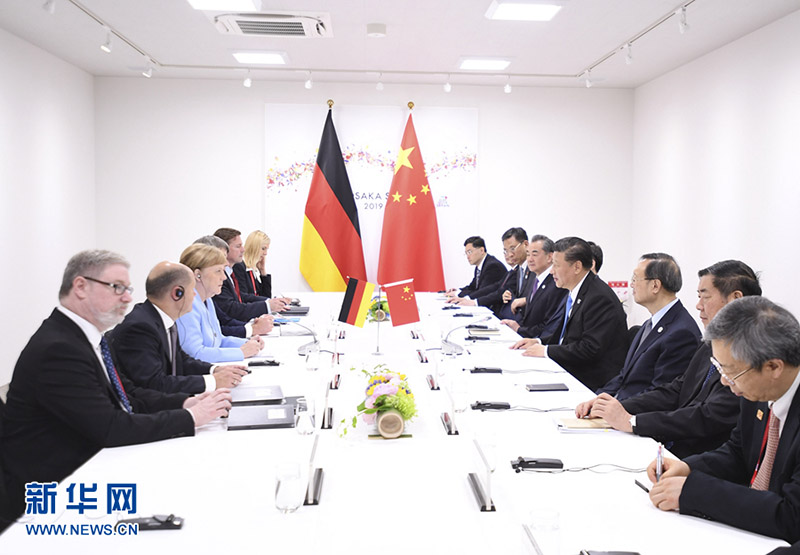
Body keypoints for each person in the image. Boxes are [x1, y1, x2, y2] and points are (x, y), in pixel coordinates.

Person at [0, 250, 232, 522]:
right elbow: (110, 427)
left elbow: (128, 396)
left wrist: (183, 403)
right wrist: (190, 418)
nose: (127, 297)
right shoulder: (58, 348)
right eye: (117, 288)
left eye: (128, 289)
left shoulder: (82, 338)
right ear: (80, 287)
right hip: (50, 499)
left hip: (90, 469)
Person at [647, 296, 800, 543]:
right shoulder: (758, 388)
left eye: (731, 372)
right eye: (720, 369)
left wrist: (695, 493)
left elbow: (792, 516)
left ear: (773, 367)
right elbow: (738, 453)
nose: (725, 382)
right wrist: (687, 468)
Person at [577, 259, 760, 457]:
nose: (698, 306)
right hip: (675, 444)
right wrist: (615, 406)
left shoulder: (751, 352)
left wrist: (633, 421)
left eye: (705, 297)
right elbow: (678, 387)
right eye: (698, 297)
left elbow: (709, 416)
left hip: (700, 454)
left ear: (735, 298)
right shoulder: (711, 342)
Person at [110, 261, 249, 394]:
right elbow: (154, 383)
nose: (195, 295)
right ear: (177, 293)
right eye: (192, 289)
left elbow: (182, 360)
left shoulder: (162, 319)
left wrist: (214, 370)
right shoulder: (140, 328)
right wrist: (211, 381)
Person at [511, 236, 627, 391]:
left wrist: (547, 350)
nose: (552, 271)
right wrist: (538, 342)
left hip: (590, 381)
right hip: (573, 368)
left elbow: (589, 349)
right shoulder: (575, 290)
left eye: (556, 265)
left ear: (577, 267)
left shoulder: (599, 297)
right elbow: (564, 336)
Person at [590, 253, 701, 400]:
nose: (631, 284)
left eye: (635, 279)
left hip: (635, 414)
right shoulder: (651, 323)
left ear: (655, 285)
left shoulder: (681, 333)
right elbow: (624, 376)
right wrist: (596, 398)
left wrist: (614, 407)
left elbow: (660, 394)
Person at [176, 244, 263, 363]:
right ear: (197, 275)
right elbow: (195, 354)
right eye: (218, 271)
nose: (224, 277)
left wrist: (247, 343)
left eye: (223, 271)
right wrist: (241, 352)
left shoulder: (207, 300)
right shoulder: (186, 306)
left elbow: (219, 340)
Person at [194, 235, 273, 338]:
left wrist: (251, 328)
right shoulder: (189, 305)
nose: (224, 277)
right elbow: (199, 349)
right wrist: (252, 329)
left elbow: (222, 325)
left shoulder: (207, 300)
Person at [450, 227, 529, 317]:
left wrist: (473, 301)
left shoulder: (493, 265)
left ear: (526, 244)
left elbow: (498, 292)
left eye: (512, 248)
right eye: (506, 251)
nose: (509, 254)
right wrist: (460, 293)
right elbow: (493, 287)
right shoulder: (517, 269)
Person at [213, 227, 289, 319]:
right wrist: (267, 305)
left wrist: (263, 272)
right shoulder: (238, 267)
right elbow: (234, 307)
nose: (243, 250)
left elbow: (247, 296)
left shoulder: (244, 269)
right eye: (263, 249)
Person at [501, 235, 567, 338]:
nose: (529, 259)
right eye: (528, 254)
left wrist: (519, 329)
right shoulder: (535, 278)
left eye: (535, 254)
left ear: (550, 257)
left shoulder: (556, 283)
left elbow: (548, 325)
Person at [236, 230, 272, 298]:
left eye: (267, 249)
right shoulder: (239, 266)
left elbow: (266, 297)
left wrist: (262, 271)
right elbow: (244, 298)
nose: (265, 253)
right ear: (254, 248)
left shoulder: (252, 270)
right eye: (263, 248)